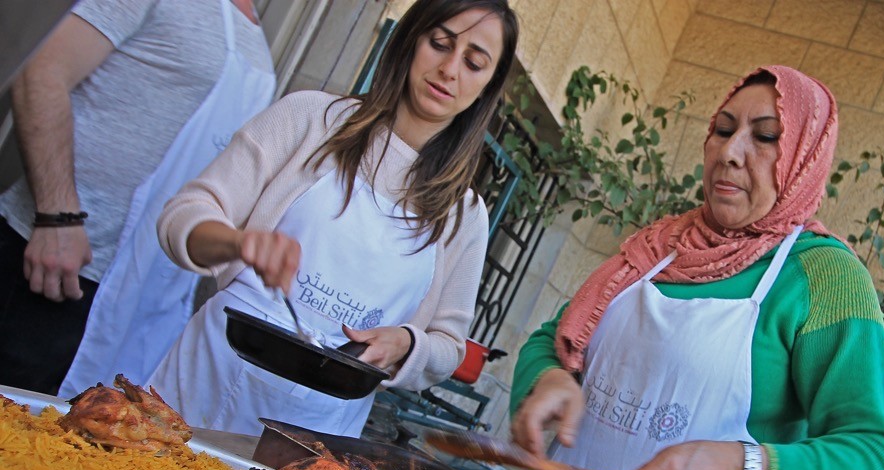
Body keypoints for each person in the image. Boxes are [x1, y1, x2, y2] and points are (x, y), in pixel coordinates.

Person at [509, 66, 884, 470]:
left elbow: (878, 460)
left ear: (805, 157)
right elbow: (555, 340)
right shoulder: (656, 248)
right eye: (722, 130)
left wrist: (739, 467)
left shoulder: (825, 280)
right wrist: (549, 380)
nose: (730, 151)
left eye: (765, 136)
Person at [147, 0, 519, 437]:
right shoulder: (309, 119)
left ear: (486, 87)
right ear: (411, 39)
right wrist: (237, 243)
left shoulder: (464, 216)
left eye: (474, 63)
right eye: (440, 43)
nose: (450, 69)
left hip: (312, 439)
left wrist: (406, 343)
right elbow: (183, 215)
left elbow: (448, 347)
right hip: (198, 386)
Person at [0, 0, 276, 397]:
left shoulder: (254, 37)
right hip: (60, 260)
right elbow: (41, 72)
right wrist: (56, 216)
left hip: (140, 295)